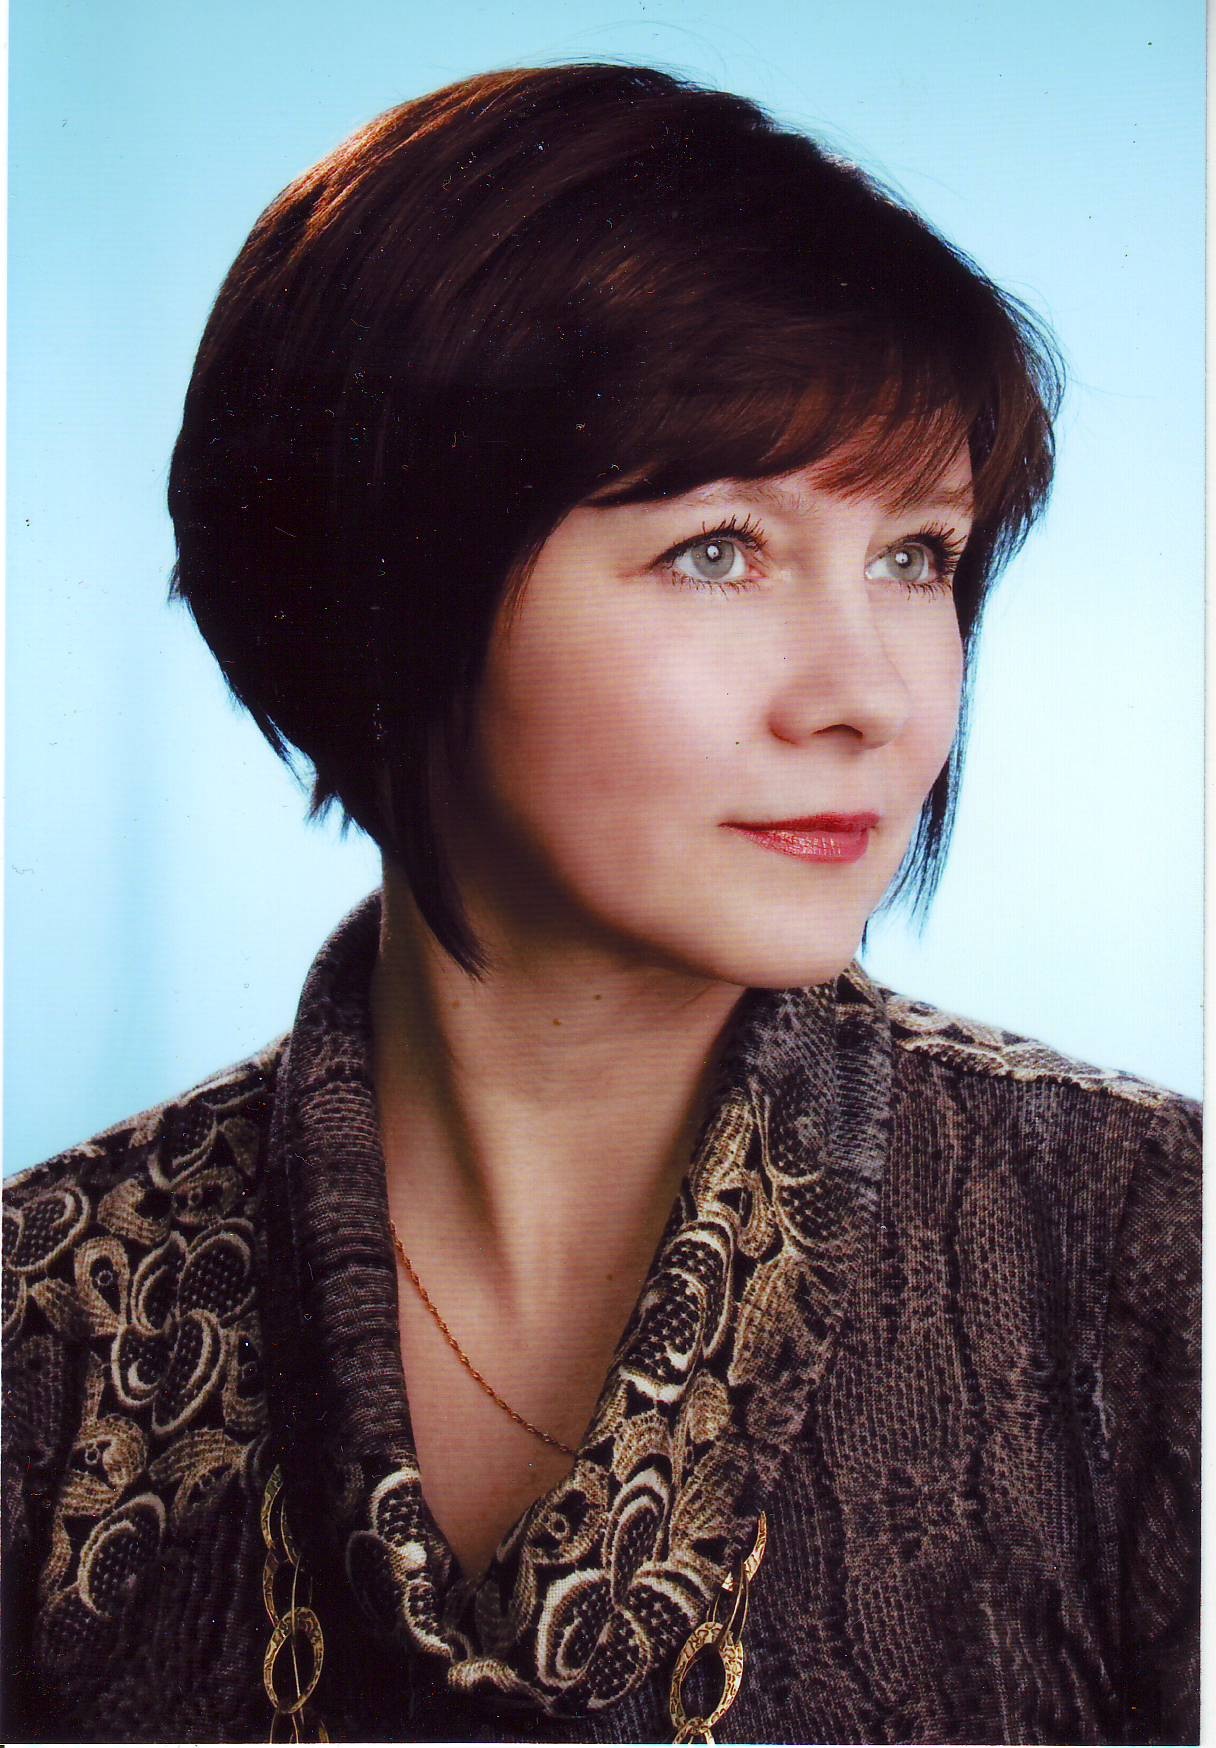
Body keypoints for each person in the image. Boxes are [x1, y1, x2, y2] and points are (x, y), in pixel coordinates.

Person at [2, 62, 1199, 1746]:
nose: (868, 696)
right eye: (719, 549)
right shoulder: (45, 1320)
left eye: (917, 556)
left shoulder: (1149, 1257)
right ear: (384, 579)